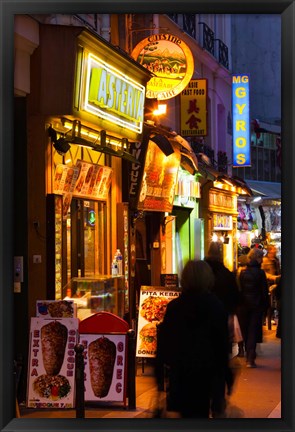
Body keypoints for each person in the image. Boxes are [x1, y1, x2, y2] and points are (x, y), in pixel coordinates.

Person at [156, 260, 229, 418]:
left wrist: (159, 375)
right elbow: (222, 346)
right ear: (208, 278)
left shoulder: (175, 307)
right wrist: (226, 378)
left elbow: (164, 344)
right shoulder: (216, 306)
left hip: (182, 374)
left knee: (187, 415)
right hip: (208, 375)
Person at [237, 248, 269, 368]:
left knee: (245, 329)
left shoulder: (242, 271)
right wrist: (266, 307)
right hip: (256, 305)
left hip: (243, 306)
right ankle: (250, 357)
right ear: (258, 258)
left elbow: (239, 290)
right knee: (253, 331)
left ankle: (246, 353)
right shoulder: (260, 273)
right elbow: (264, 291)